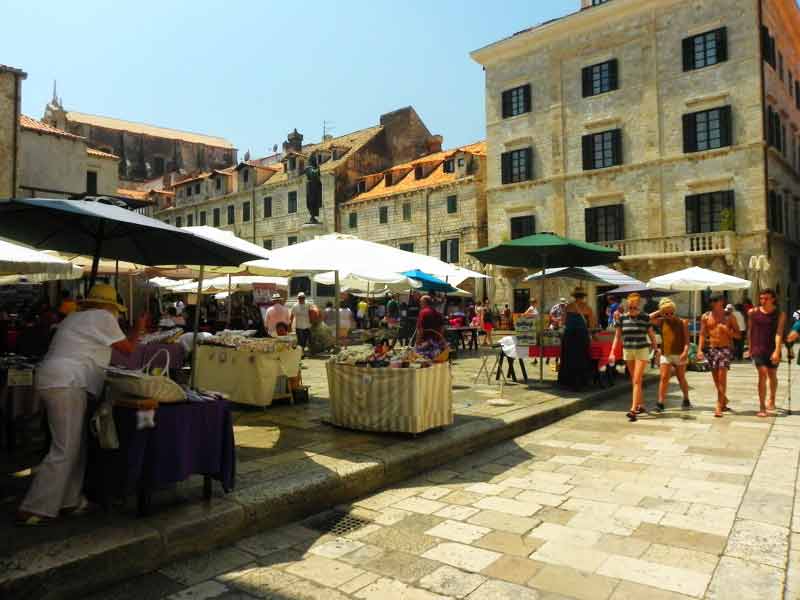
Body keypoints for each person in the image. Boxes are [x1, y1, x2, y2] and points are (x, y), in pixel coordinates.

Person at [17, 284, 137, 525]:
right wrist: (140, 327)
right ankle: (34, 507)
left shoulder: (75, 317)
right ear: (109, 306)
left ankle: (70, 500)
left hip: (56, 378)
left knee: (75, 444)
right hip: (67, 381)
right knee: (65, 447)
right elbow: (128, 349)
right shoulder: (103, 316)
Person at [610, 293, 658, 422]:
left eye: (635, 308)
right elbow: (617, 336)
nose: (633, 310)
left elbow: (651, 334)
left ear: (639, 307)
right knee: (635, 380)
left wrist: (656, 349)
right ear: (627, 306)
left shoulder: (645, 317)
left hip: (642, 350)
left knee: (636, 380)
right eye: (630, 307)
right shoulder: (622, 318)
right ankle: (641, 405)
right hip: (628, 350)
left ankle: (633, 409)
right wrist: (612, 352)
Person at [697, 293, 741, 417]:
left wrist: (727, 331)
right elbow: (702, 334)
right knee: (716, 379)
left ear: (722, 301)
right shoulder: (706, 316)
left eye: (715, 300)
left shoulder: (729, 317)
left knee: (722, 377)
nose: (712, 303)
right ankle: (723, 400)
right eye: (711, 300)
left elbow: (738, 335)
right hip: (711, 349)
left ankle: (718, 405)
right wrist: (699, 350)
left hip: (725, 349)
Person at [746, 289, 786, 416]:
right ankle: (762, 407)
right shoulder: (752, 312)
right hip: (758, 349)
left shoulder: (779, 314)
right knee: (762, 374)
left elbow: (779, 333)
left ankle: (772, 398)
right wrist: (749, 348)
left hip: (772, 349)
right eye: (761, 298)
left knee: (772, 374)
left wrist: (777, 351)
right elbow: (750, 331)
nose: (763, 301)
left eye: (766, 298)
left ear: (773, 299)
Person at [650, 297, 691, 411]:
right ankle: (660, 403)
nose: (669, 315)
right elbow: (647, 319)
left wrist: (685, 352)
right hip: (666, 354)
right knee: (663, 378)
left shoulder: (682, 322)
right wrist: (660, 311)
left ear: (675, 311)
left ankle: (686, 398)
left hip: (679, 354)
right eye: (666, 313)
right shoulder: (662, 321)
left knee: (681, 377)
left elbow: (687, 342)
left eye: (671, 312)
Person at [558, 288, 596, 390]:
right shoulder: (588, 308)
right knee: (581, 358)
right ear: (583, 297)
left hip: (569, 335)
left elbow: (563, 321)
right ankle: (581, 381)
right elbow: (592, 325)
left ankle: (567, 381)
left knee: (568, 358)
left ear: (574, 297)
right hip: (581, 336)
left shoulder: (568, 307)